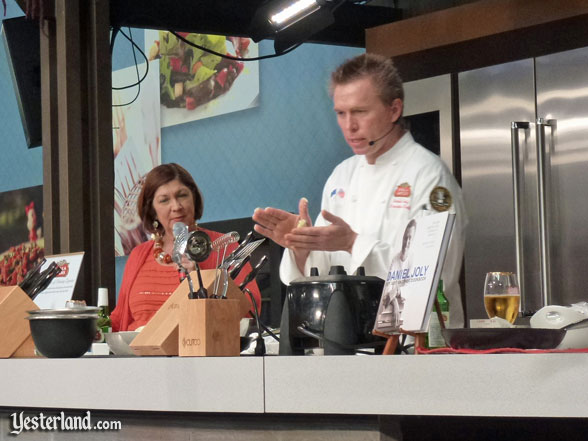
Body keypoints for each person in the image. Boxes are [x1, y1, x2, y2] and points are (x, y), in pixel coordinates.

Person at [253, 53, 467, 328]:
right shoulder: (342, 175)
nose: (349, 126)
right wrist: (302, 245)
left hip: (418, 344)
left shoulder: (429, 175)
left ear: (394, 109)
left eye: (360, 112)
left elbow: (434, 276)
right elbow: (320, 270)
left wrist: (353, 242)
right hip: (348, 339)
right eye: (341, 113)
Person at [111, 163, 261, 332]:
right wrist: (90, 322)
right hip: (141, 354)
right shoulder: (139, 255)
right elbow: (119, 319)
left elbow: (249, 309)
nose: (176, 206)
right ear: (152, 210)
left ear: (194, 199)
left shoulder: (224, 246)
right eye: (164, 200)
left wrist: (199, 279)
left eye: (182, 195)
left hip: (200, 351)